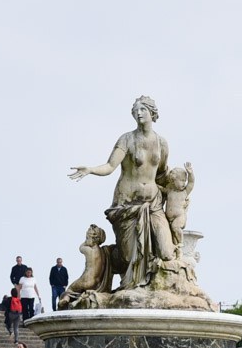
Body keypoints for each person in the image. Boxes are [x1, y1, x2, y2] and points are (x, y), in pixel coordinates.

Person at [69, 95, 176, 290]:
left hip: (153, 204)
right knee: (128, 257)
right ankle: (106, 259)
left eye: (142, 109)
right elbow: (110, 166)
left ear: (152, 113)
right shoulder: (127, 139)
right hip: (127, 204)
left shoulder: (162, 143)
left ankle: (154, 285)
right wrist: (91, 169)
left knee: (167, 251)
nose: (138, 113)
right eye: (135, 110)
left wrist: (181, 191)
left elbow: (162, 174)